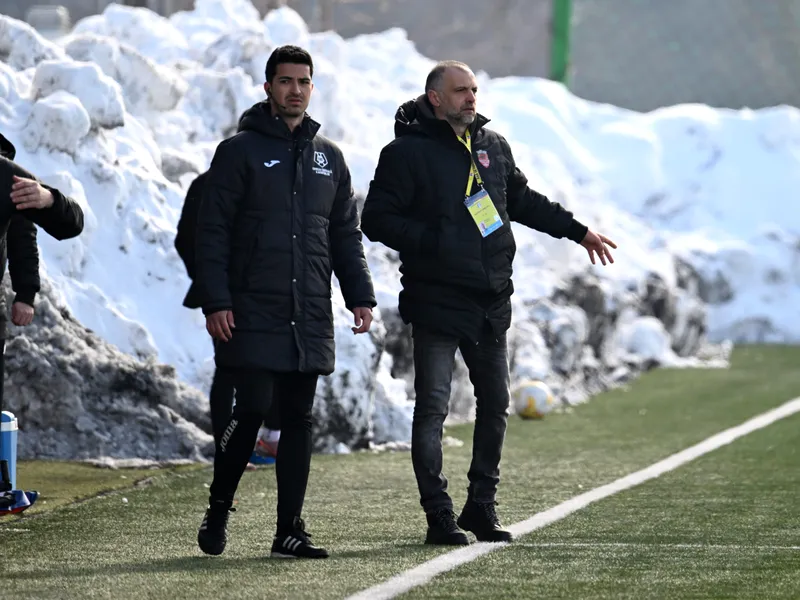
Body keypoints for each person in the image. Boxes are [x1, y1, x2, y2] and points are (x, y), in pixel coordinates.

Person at [360, 61, 616, 546]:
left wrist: (578, 231)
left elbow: (522, 200)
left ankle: (480, 505)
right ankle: (438, 513)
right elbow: (375, 219)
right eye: (460, 90)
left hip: (490, 299)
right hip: (436, 298)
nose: (471, 98)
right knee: (432, 408)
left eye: (474, 89)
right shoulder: (405, 153)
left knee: (496, 404)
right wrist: (433, 241)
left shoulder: (491, 146)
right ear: (435, 98)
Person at [194, 45, 376, 559]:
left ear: (312, 88)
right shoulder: (239, 151)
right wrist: (216, 300)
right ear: (268, 87)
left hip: (309, 309)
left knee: (298, 417)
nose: (295, 90)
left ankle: (289, 531)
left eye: (304, 81)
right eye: (286, 81)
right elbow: (212, 233)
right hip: (251, 307)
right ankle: (219, 507)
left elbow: (345, 234)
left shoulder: (329, 158)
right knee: (252, 407)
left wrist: (359, 295)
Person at [175, 170, 281, 461]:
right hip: (228, 295)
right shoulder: (210, 183)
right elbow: (186, 240)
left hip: (261, 290)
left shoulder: (265, 177)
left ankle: (269, 438)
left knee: (271, 363)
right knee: (230, 370)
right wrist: (212, 283)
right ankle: (229, 450)